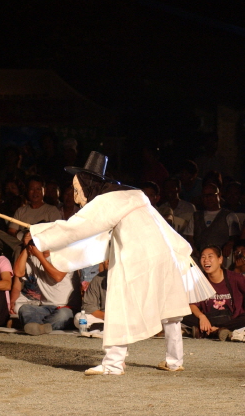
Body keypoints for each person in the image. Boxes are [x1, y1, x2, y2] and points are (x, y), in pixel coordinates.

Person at [29, 151, 212, 375]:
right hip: (165, 253)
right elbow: (98, 234)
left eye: (78, 189)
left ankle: (114, 363)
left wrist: (41, 235)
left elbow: (78, 227)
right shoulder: (134, 194)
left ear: (88, 184)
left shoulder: (108, 201)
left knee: (120, 304)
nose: (77, 195)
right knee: (169, 309)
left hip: (138, 258)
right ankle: (175, 361)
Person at [12, 232, 81, 335]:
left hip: (66, 307)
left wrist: (40, 257)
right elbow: (18, 272)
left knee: (63, 316)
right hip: (44, 307)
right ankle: (39, 327)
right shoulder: (34, 259)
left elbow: (57, 277)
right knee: (25, 309)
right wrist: (27, 248)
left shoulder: (63, 256)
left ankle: (35, 326)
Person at [182, 246, 245, 341]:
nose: (206, 260)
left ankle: (209, 331)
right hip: (208, 319)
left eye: (210, 256)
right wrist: (202, 316)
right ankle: (219, 331)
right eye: (203, 257)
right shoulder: (199, 280)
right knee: (180, 314)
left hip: (231, 319)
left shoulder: (235, 278)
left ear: (220, 260)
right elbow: (192, 304)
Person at [183, 183, 240, 257]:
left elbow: (235, 237)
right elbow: (189, 237)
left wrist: (229, 244)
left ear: (219, 195)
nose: (208, 198)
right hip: (199, 257)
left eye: (211, 195)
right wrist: (193, 250)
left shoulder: (229, 215)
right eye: (205, 196)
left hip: (221, 258)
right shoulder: (196, 216)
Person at [73, 262, 108, 332]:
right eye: (107, 260)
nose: (108, 263)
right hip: (104, 317)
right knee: (79, 317)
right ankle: (104, 326)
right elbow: (88, 306)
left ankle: (103, 327)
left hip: (125, 317)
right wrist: (107, 317)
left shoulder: (131, 278)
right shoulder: (98, 279)